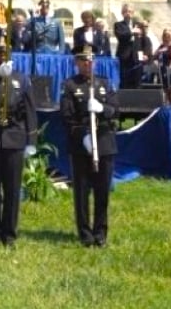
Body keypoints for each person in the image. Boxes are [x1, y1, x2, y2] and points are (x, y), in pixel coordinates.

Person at [0, 35, 38, 246]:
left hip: (14, 137)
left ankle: (9, 232)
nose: (2, 56)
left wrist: (31, 140)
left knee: (12, 188)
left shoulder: (21, 78)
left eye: (5, 52)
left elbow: (30, 111)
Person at [60, 46, 119, 247]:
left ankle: (100, 232)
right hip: (81, 144)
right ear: (77, 62)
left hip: (104, 142)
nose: (87, 64)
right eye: (83, 60)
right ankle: (85, 232)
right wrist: (83, 136)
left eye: (90, 60)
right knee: (82, 191)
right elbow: (67, 117)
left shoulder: (104, 83)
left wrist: (103, 109)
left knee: (102, 191)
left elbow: (116, 110)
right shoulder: (70, 85)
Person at [113, 3, 145, 88]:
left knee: (137, 83)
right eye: (126, 11)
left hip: (136, 58)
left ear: (133, 13)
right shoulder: (118, 25)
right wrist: (131, 32)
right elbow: (120, 36)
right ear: (122, 13)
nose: (128, 13)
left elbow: (143, 40)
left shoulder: (138, 25)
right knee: (124, 82)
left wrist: (143, 55)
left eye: (130, 11)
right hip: (124, 57)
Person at [153, 28, 171, 104]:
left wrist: (170, 69)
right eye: (165, 35)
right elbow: (154, 56)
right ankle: (166, 106)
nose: (166, 37)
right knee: (164, 90)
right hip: (162, 70)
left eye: (168, 35)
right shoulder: (161, 46)